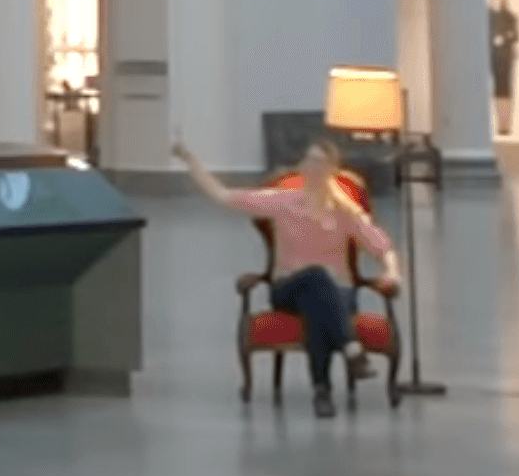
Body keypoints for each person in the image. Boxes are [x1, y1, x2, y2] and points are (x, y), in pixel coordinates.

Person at [172, 136, 402, 417]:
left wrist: (391, 272)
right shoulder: (283, 202)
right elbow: (223, 195)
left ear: (332, 169)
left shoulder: (345, 211)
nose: (313, 167)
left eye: (320, 162)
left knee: (319, 306)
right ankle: (351, 349)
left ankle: (322, 391)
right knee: (317, 278)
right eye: (309, 161)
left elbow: (382, 247)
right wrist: (189, 159)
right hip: (288, 288)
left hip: (338, 293)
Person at [490, 0, 519, 137]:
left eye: (499, 0)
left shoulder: (509, 17)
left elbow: (515, 35)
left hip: (504, 59)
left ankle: (504, 125)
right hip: (488, 58)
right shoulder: (485, 17)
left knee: (503, 92)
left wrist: (504, 38)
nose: (496, 3)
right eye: (493, 0)